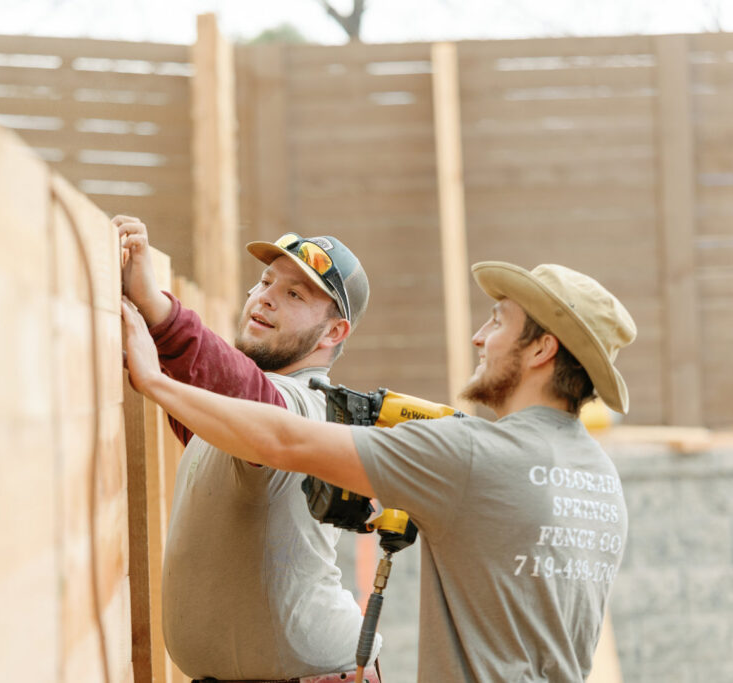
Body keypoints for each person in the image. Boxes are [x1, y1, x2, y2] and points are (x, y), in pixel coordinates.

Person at [121, 260, 637, 682]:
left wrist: (153, 377)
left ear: (543, 349)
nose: (480, 337)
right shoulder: (601, 477)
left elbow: (278, 436)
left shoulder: (471, 455)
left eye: (499, 321)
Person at [115, 215, 382, 683]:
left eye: (295, 294)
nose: (266, 297)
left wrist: (158, 310)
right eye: (265, 281)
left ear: (333, 333)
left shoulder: (309, 405)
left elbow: (248, 395)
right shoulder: (238, 418)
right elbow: (209, 389)